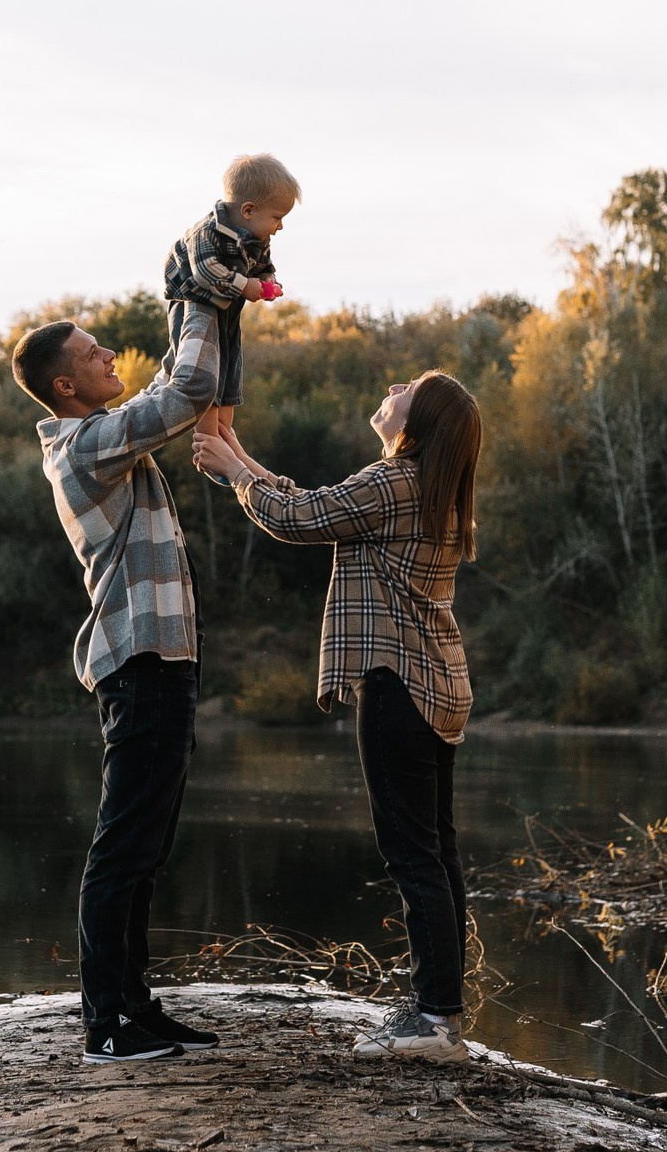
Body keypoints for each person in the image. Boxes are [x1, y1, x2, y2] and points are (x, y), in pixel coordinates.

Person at [192, 372, 483, 1062]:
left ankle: (436, 1020)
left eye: (411, 386)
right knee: (436, 852)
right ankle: (440, 1011)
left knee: (413, 853)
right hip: (436, 684)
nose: (393, 382)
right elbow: (315, 505)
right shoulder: (424, 486)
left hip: (397, 684)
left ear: (422, 421)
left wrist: (235, 469)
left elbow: (298, 520)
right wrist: (242, 457)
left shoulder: (395, 481)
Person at [11, 305, 224, 1065]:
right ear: (65, 385)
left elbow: (178, 382)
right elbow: (186, 389)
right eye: (94, 352)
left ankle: (134, 1005)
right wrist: (195, 298)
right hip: (138, 666)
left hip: (160, 663)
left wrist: (218, 305)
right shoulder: (88, 445)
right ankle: (105, 1024)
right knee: (121, 848)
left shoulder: (101, 434)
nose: (109, 354)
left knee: (146, 845)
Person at [162, 153, 298, 478]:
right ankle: (208, 439)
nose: (280, 226)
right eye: (277, 217)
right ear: (248, 211)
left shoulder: (256, 237)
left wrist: (267, 283)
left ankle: (226, 437)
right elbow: (205, 272)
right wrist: (244, 284)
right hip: (193, 305)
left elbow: (264, 268)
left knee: (230, 366)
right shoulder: (205, 233)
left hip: (226, 309)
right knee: (205, 369)